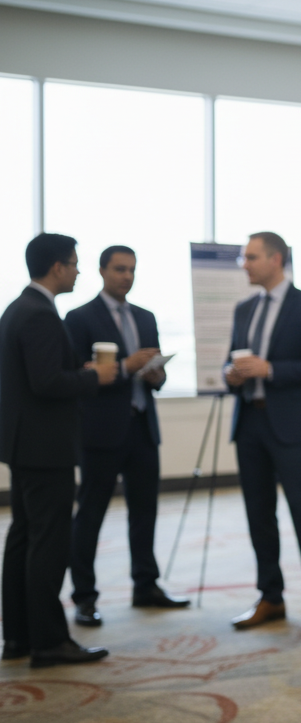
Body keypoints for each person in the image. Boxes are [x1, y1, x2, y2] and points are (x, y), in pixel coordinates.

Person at [1, 234, 115, 668]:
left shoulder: (17, 308)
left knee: (23, 541)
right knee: (48, 546)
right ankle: (49, 642)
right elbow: (47, 383)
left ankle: (18, 638)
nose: (79, 271)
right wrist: (94, 378)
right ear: (56, 268)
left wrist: (76, 371)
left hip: (23, 445)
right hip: (45, 448)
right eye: (74, 264)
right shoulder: (41, 315)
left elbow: (38, 375)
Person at [65, 245, 190, 627]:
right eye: (119, 269)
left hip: (141, 427)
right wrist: (125, 366)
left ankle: (145, 585)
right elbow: (75, 378)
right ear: (102, 271)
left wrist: (155, 374)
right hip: (101, 431)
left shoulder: (145, 317)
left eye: (132, 270)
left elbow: (156, 378)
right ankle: (84, 597)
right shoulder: (79, 317)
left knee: (145, 511)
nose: (126, 276)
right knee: (91, 514)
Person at [224, 232, 301, 635]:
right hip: (249, 424)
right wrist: (231, 374)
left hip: (291, 425)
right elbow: (231, 361)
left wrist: (270, 370)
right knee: (259, 515)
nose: (245, 264)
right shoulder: (243, 309)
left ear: (276, 259)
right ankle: (270, 598)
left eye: (251, 257)